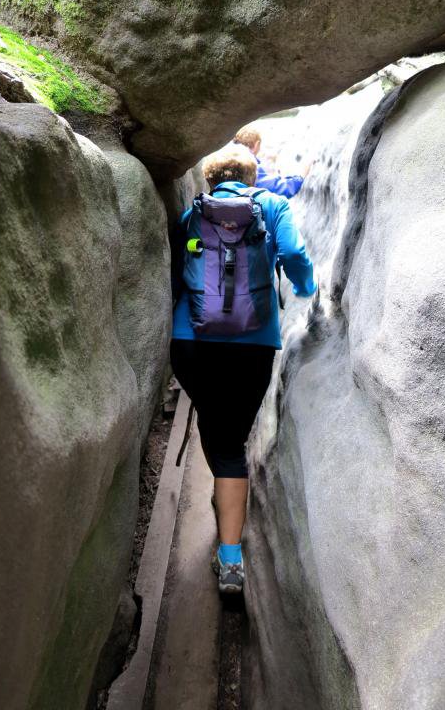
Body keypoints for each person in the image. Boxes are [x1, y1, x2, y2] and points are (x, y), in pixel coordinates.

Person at [170, 144, 316, 595]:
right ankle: (231, 557)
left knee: (216, 426)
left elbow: (178, 273)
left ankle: (224, 488)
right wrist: (306, 287)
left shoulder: (194, 214)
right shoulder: (271, 205)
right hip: (253, 345)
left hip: (192, 342)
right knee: (231, 440)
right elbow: (293, 252)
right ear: (251, 179)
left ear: (211, 180)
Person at [233, 124, 307, 199]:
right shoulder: (251, 167)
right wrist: (301, 176)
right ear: (257, 145)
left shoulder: (230, 161)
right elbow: (277, 189)